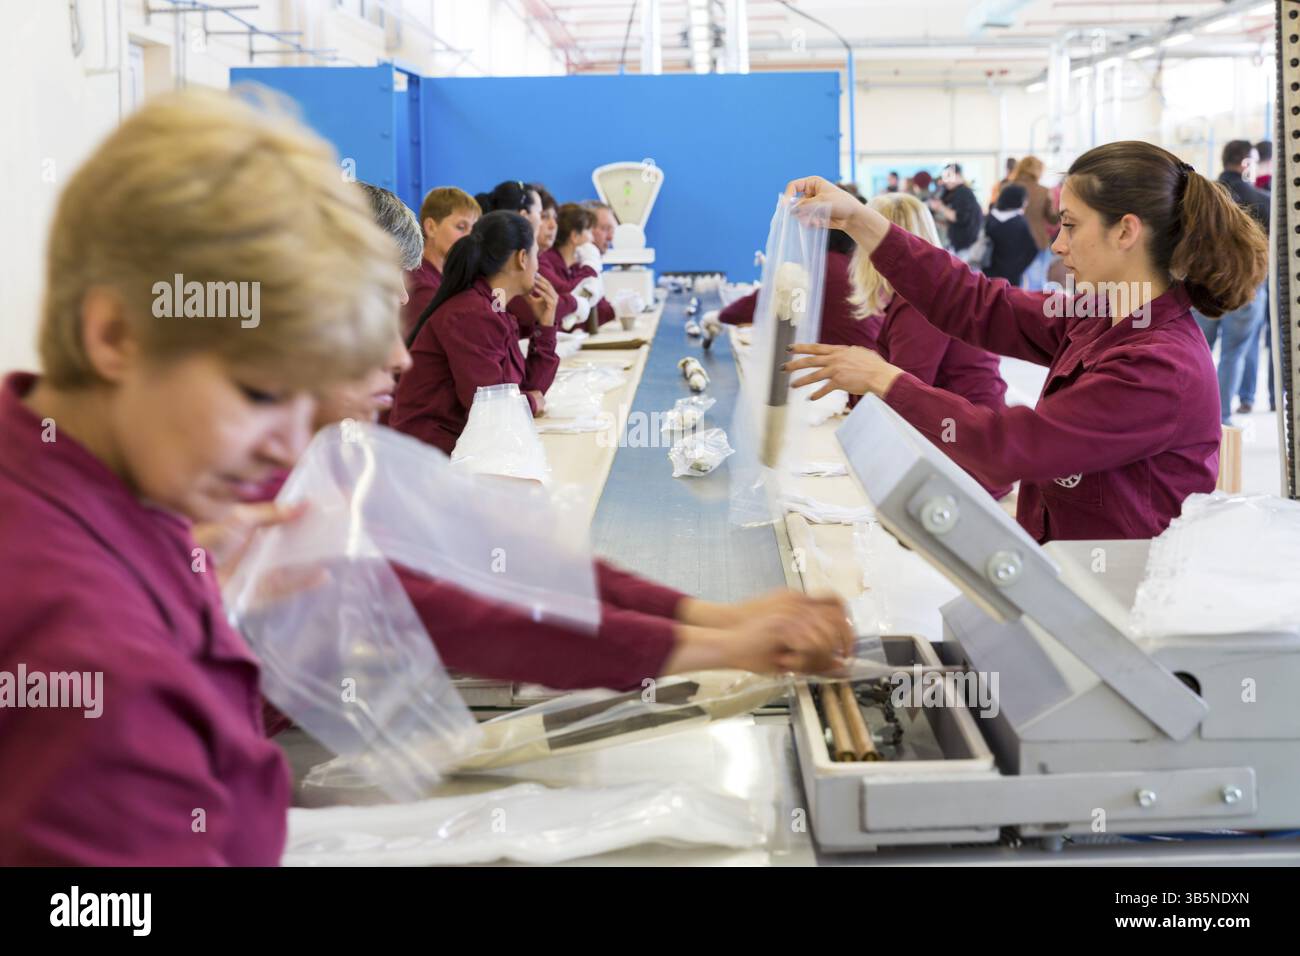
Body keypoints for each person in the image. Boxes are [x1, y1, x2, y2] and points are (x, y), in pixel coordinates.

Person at [203, 185, 852, 717]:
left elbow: (513, 556)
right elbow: (469, 616)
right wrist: (725, 644)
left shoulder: (337, 458)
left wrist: (715, 617)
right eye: (371, 318)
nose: (399, 356)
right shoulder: (250, 489)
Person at [0, 88, 406, 864]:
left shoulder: (74, 483)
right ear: (115, 333)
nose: (287, 449)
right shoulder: (90, 657)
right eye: (259, 392)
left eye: (304, 396)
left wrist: (183, 592)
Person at [784, 140, 1267, 543]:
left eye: (1071, 226)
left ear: (1126, 231)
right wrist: (857, 219)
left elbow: (1010, 446)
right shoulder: (1100, 314)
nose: (1057, 244)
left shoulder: (1160, 368)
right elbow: (977, 302)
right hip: (1064, 570)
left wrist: (887, 381)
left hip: (1118, 605)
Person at [847, 193, 1009, 499]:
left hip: (964, 465)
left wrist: (859, 380)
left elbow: (900, 390)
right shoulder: (926, 295)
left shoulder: (920, 303)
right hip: (970, 451)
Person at [390, 211, 560, 454]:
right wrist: (531, 402)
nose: (538, 265)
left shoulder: (492, 309)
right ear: (522, 258)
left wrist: (545, 327)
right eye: (536, 255)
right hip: (431, 459)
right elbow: (490, 411)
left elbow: (528, 387)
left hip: (458, 451)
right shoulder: (472, 313)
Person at [1192, 140, 1270, 422]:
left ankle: (1193, 416)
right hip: (1246, 292)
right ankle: (1221, 418)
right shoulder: (1263, 200)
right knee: (1233, 355)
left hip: (1201, 289)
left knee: (1196, 353)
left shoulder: (1198, 200)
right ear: (1247, 163)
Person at [716, 228, 881, 351]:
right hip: (872, 364)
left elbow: (740, 311)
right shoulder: (854, 267)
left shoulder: (811, 268)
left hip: (844, 376)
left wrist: (715, 317)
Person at [400, 186, 480, 338]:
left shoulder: (443, 279)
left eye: (474, 229)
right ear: (431, 227)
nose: (471, 237)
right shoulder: (421, 285)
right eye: (461, 227)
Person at [1008, 155, 1062, 291]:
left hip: (1012, 241)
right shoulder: (1044, 191)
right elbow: (1053, 219)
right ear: (1037, 171)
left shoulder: (1007, 187)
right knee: (1037, 284)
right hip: (1037, 241)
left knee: (1012, 283)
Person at [982, 184, 1040, 287]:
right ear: (1018, 200)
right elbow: (1033, 250)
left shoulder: (989, 219)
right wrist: (1019, 268)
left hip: (988, 272)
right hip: (1011, 277)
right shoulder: (1020, 223)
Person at [929, 163, 983, 259]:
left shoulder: (963, 193)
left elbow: (960, 217)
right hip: (959, 244)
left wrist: (939, 207)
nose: (945, 181)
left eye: (948, 176)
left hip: (964, 246)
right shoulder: (954, 192)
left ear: (958, 175)